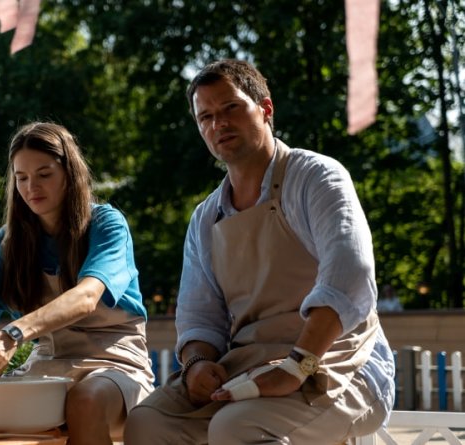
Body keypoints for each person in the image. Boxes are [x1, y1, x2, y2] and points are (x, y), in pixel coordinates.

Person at [125, 59, 396, 444]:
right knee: (147, 422)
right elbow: (199, 316)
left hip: (338, 361)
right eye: (206, 117)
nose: (219, 123)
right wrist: (198, 364)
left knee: (235, 426)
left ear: (266, 109)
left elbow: (349, 274)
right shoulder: (205, 218)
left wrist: (297, 366)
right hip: (248, 366)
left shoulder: (317, 176)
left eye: (231, 107)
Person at [0, 121, 154, 445]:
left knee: (85, 401)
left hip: (115, 362)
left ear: (69, 173)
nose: (31, 187)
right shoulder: (9, 243)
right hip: (46, 364)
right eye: (21, 177)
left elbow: (86, 297)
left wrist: (13, 333)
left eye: (44, 174)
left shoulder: (107, 224)